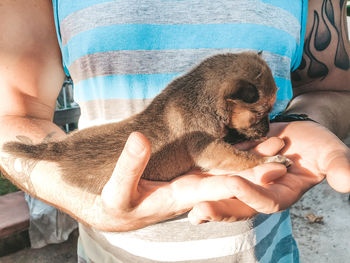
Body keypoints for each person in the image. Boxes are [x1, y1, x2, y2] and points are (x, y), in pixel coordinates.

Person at [0, 0, 350, 262]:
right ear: (230, 94)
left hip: (266, 251)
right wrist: (90, 205)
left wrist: (304, 123)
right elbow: (14, 111)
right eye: (259, 112)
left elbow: (335, 89)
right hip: (110, 253)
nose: (263, 125)